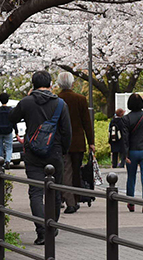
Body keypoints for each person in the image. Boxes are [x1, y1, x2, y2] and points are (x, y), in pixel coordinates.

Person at [9, 70, 72, 246]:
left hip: (33, 153)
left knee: (36, 192)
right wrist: (63, 150)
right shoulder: (60, 104)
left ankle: (42, 231)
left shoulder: (27, 102)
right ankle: (52, 227)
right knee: (55, 192)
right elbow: (67, 131)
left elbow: (11, 117)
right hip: (55, 153)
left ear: (33, 85)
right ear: (51, 85)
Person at [55, 72, 95, 214]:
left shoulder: (56, 99)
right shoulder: (80, 99)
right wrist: (91, 142)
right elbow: (86, 122)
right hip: (78, 142)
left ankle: (68, 200)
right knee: (76, 171)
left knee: (65, 171)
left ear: (59, 84)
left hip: (61, 142)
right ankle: (75, 200)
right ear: (72, 83)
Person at [119, 93, 143, 214]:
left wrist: (125, 155)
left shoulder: (126, 119)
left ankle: (131, 202)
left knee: (131, 177)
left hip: (132, 152)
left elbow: (124, 138)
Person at [0, 92, 16, 166]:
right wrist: (16, 131)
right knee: (9, 147)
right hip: (8, 131)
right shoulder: (10, 110)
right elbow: (13, 121)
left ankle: (0, 161)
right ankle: (8, 161)